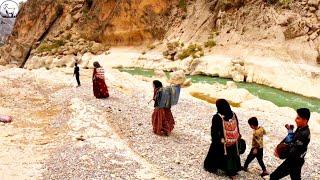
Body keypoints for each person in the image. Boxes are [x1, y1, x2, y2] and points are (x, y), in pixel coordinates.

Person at [204, 99, 242, 179]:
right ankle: (233, 170)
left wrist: (216, 140)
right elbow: (237, 127)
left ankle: (215, 168)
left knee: (216, 152)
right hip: (233, 141)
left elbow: (214, 131)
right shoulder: (233, 114)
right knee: (232, 155)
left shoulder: (217, 117)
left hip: (223, 142)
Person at [270, 108, 311, 180]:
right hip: (297, 160)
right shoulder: (300, 128)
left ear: (305, 120)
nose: (295, 120)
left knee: (273, 177)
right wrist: (279, 145)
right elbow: (291, 137)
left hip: (294, 161)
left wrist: (280, 155)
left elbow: (293, 150)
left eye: (298, 118)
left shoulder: (304, 134)